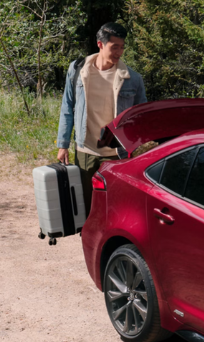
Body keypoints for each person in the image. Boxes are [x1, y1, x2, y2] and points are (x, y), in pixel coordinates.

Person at [55, 22, 146, 214]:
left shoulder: (133, 79)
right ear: (100, 44)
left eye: (122, 47)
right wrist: (63, 144)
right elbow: (67, 107)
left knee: (115, 208)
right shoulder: (78, 70)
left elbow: (141, 118)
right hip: (85, 150)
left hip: (117, 155)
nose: (119, 52)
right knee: (87, 209)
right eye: (115, 47)